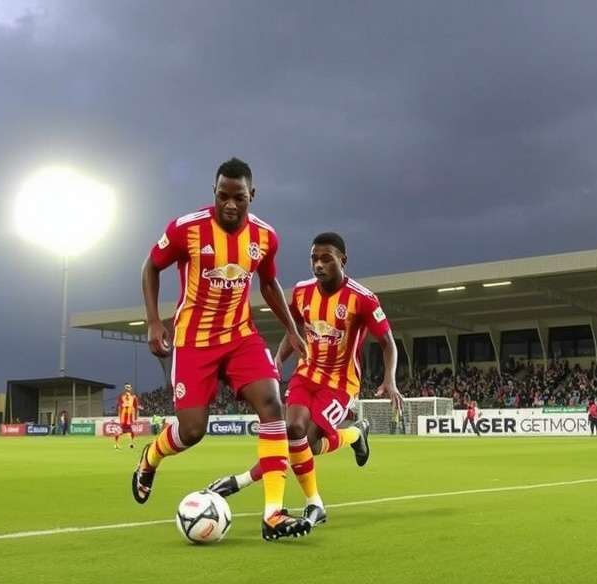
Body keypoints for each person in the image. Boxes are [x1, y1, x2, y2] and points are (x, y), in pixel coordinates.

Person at [131, 157, 311, 541]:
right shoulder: (186, 229)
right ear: (213, 191)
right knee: (193, 430)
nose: (230, 205)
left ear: (252, 196)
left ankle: (273, 514)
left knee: (272, 405)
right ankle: (150, 458)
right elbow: (151, 266)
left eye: (239, 198)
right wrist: (153, 320)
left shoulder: (265, 237)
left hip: (240, 336)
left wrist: (292, 330)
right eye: (223, 196)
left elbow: (268, 284)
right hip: (194, 341)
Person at [207, 232, 402, 526]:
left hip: (339, 384)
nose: (318, 265)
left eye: (326, 259)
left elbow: (388, 342)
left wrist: (390, 379)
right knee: (293, 430)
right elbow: (295, 331)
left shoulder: (362, 299)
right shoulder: (301, 292)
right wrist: (278, 360)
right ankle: (352, 440)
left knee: (306, 445)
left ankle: (241, 481)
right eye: (314, 258)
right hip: (305, 374)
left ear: (342, 260)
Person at [115, 383, 139, 449]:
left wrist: (136, 417)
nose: (127, 389)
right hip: (123, 418)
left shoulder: (133, 397)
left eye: (129, 387)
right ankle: (117, 444)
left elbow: (136, 406)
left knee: (131, 432)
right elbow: (119, 405)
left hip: (129, 418)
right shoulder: (121, 396)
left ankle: (131, 443)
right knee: (122, 431)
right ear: (125, 388)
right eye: (126, 387)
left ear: (131, 388)